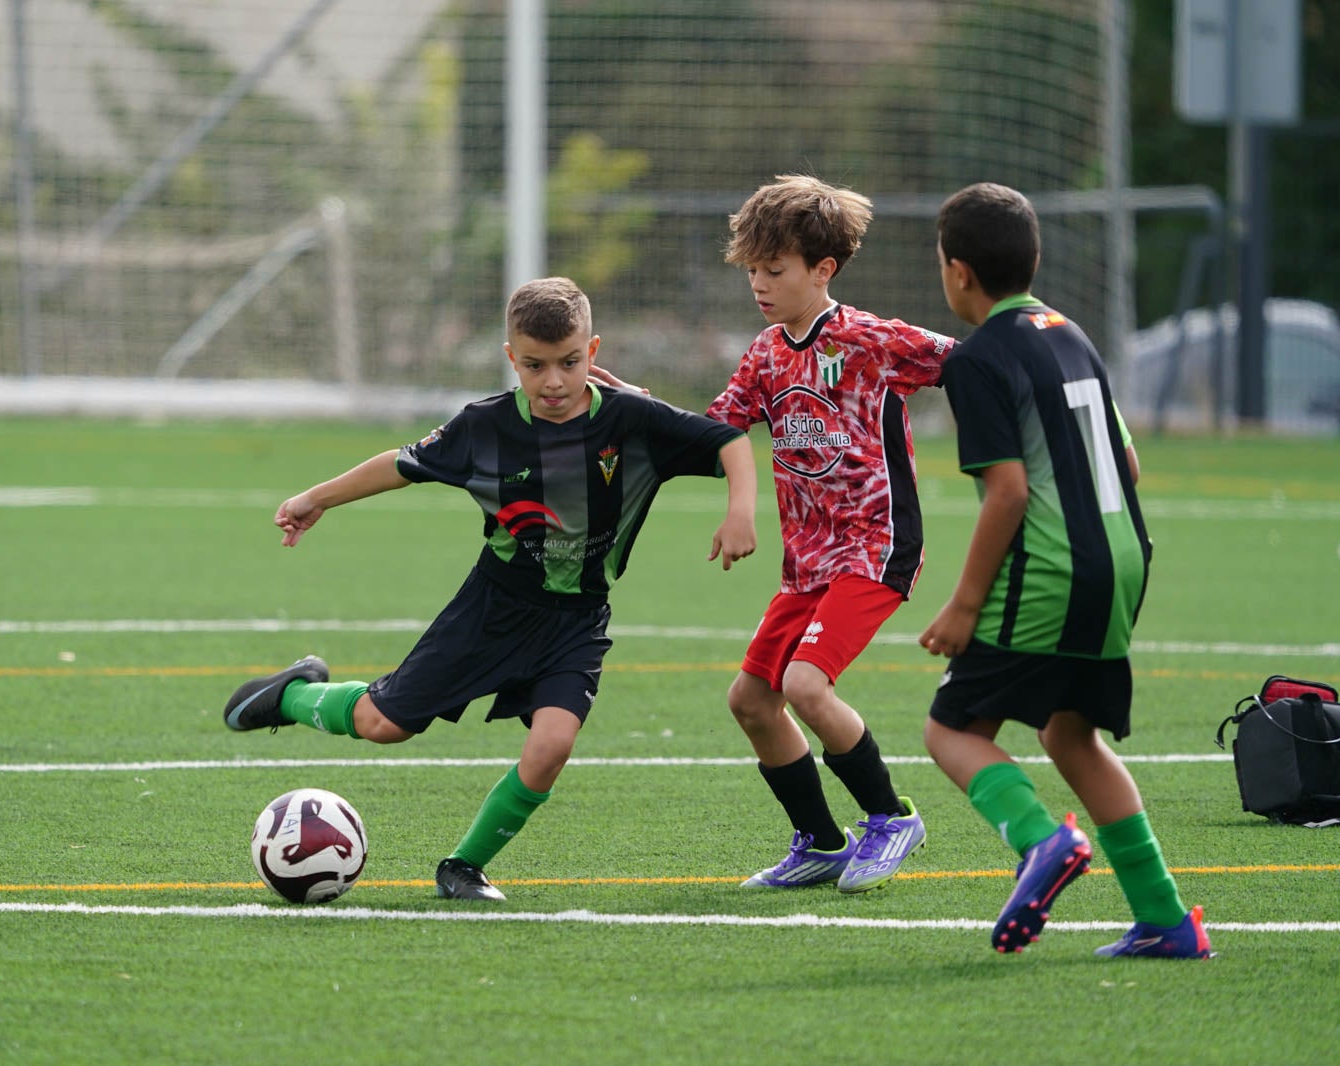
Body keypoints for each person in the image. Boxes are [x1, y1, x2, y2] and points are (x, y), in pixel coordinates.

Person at [223, 276, 758, 901]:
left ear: (594, 350)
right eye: (535, 366)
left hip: (578, 621)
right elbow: (401, 464)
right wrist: (315, 498)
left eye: (569, 362)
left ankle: (464, 867)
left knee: (552, 745)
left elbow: (728, 440)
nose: (553, 382)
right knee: (381, 725)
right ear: (512, 358)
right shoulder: (485, 426)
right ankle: (293, 696)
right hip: (492, 609)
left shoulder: (633, 418)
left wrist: (740, 510)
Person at [600, 174, 950, 892]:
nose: (758, 283)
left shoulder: (870, 339)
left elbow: (967, 362)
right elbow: (717, 427)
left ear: (823, 269)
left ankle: (890, 818)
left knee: (803, 684)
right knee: (751, 700)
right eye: (751, 269)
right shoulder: (765, 352)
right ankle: (822, 842)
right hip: (808, 563)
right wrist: (637, 405)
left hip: (874, 546)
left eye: (774, 269)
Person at [919, 181, 1212, 958]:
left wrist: (961, 605)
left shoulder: (977, 359)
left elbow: (1008, 491)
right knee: (1069, 734)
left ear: (957, 273)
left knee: (951, 730)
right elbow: (1130, 465)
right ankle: (1166, 920)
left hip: (1050, 571)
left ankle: (1042, 842)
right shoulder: (1070, 334)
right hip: (1122, 560)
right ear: (1032, 259)